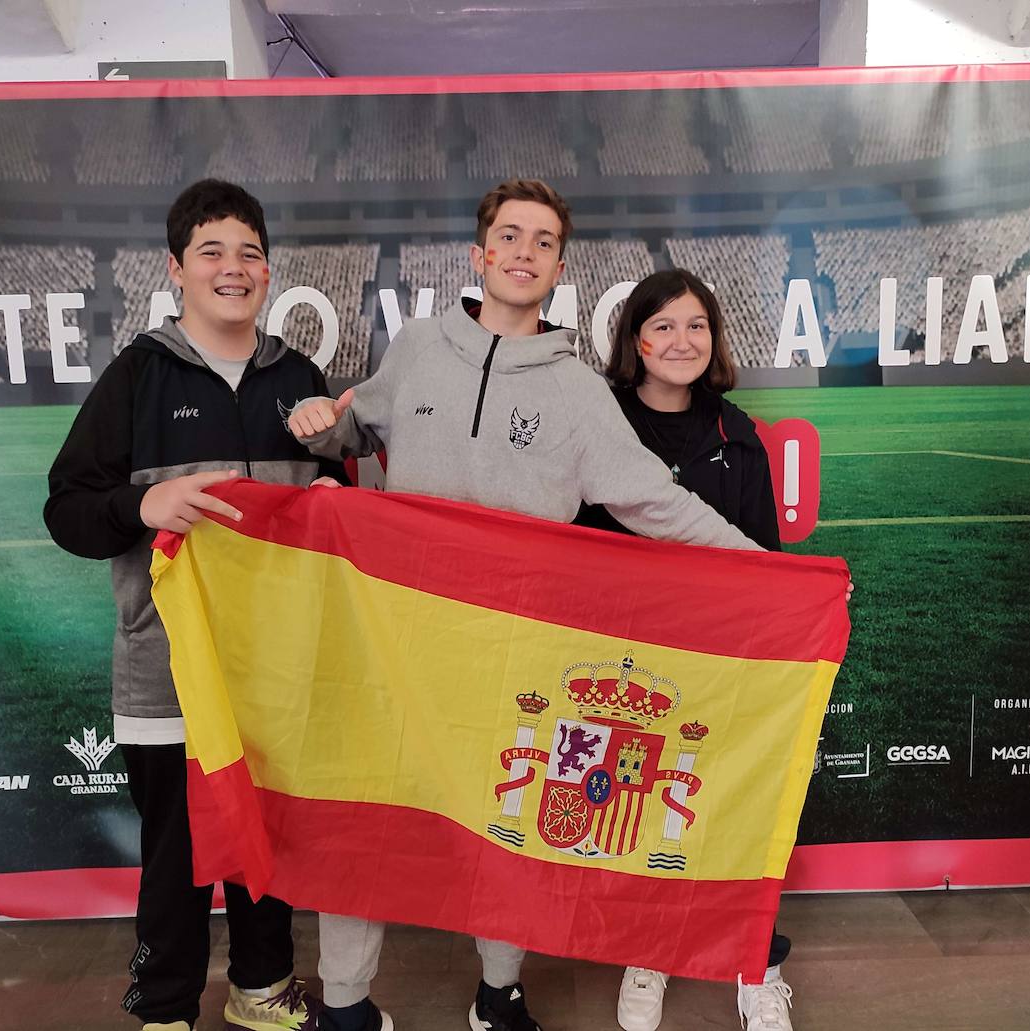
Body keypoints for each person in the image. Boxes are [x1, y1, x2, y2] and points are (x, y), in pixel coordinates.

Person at [286, 179, 763, 1031]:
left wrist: (766, 569)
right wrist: (321, 422)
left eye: (542, 242)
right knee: (366, 816)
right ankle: (347, 1004)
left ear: (558, 268)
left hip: (512, 649)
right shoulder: (418, 350)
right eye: (509, 236)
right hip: (397, 639)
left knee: (506, 821)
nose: (522, 252)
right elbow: (355, 430)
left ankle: (498, 992)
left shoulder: (578, 391)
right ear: (478, 255)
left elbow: (655, 499)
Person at [44, 179, 352, 1031]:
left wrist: (338, 470)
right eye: (211, 251)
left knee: (270, 842)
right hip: (168, 676)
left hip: (279, 676)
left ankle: (264, 988)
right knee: (177, 857)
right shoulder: (139, 375)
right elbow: (67, 507)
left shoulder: (298, 376)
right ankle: (168, 1006)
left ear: (268, 270)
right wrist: (141, 507)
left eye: (249, 252)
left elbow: (340, 514)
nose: (233, 267)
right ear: (176, 268)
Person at [578, 269, 795, 1031]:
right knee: (641, 808)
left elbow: (768, 560)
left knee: (737, 807)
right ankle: (649, 949)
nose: (681, 340)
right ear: (635, 339)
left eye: (696, 325)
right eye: (663, 325)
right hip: (627, 669)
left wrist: (810, 599)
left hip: (720, 662)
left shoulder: (738, 435)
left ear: (715, 339)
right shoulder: (597, 425)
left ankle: (756, 963)